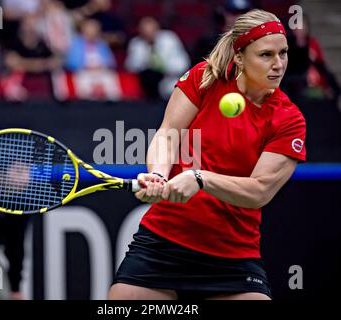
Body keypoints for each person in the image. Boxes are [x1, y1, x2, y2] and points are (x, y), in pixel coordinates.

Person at [108, 9, 306, 300]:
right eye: (266, 55)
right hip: (164, 242)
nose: (278, 65)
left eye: (283, 53)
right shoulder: (205, 78)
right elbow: (168, 134)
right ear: (239, 57)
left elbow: (259, 190)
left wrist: (199, 179)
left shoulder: (289, 119)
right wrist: (159, 174)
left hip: (232, 255)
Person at [124, 16, 190, 100]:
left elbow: (183, 64)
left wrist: (165, 69)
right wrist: (146, 54)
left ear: (157, 29)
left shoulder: (170, 39)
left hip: (169, 78)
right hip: (147, 82)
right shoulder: (136, 43)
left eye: (151, 30)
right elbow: (130, 66)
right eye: (145, 31)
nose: (149, 34)